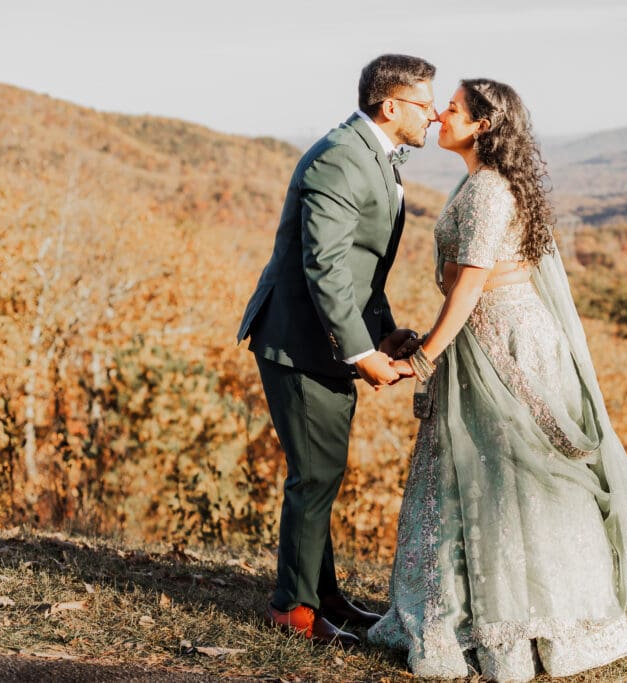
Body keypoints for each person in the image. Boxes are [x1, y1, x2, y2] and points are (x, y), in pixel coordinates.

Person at [367, 79, 627, 680]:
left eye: (453, 108)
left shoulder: (488, 191)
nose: (439, 114)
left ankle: (531, 625)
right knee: (489, 471)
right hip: (493, 331)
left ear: (484, 125)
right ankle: (482, 611)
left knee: (511, 472)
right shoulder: (480, 183)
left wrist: (425, 355)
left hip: (503, 341)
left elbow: (468, 284)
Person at [236, 54, 436, 647]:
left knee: (323, 472)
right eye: (425, 104)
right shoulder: (338, 158)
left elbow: (358, 270)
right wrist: (360, 352)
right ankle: (293, 612)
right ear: (391, 105)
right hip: (299, 343)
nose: (433, 114)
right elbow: (322, 266)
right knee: (315, 475)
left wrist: (384, 332)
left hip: (329, 342)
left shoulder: (372, 155)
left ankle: (324, 598)